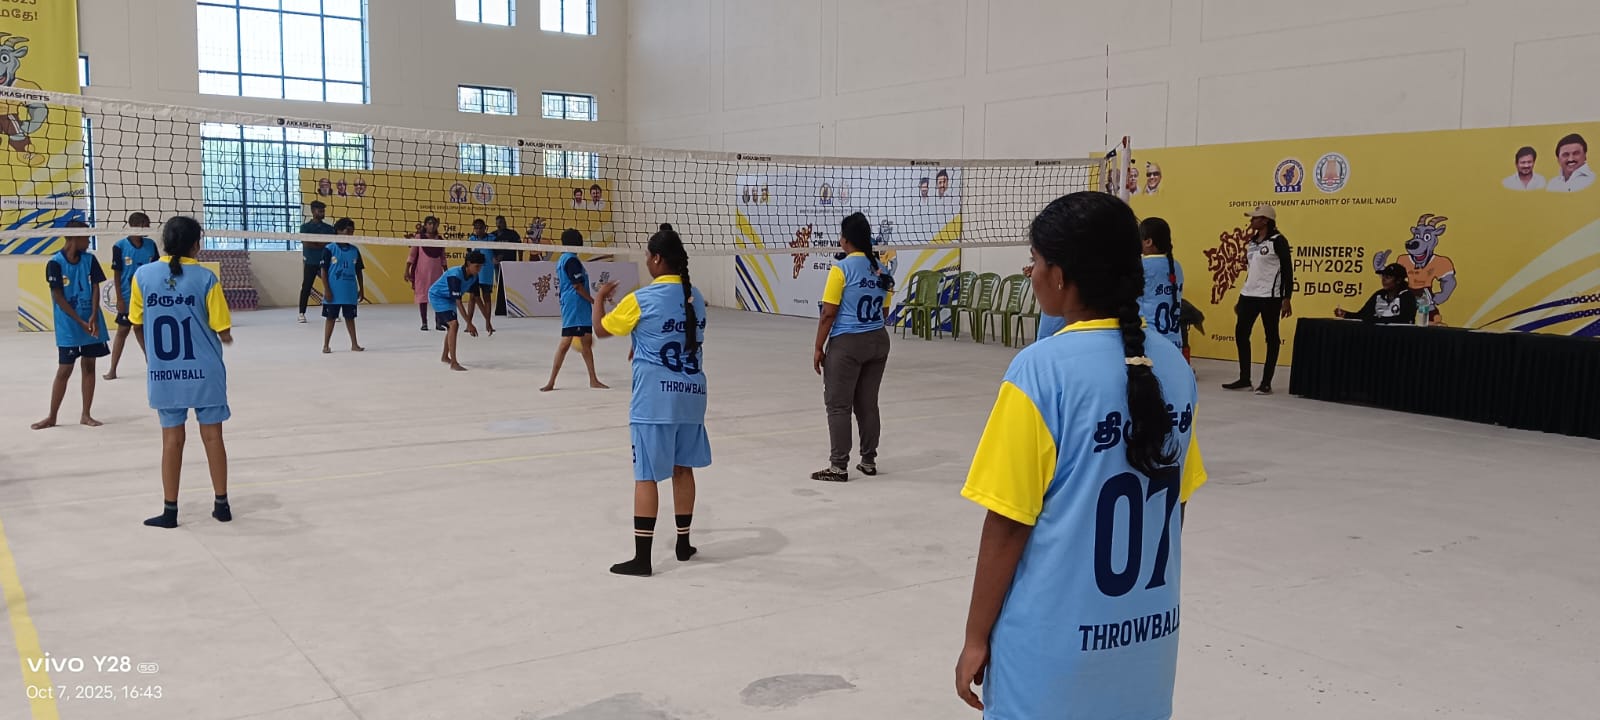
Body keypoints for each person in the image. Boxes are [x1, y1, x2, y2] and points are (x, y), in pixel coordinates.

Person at [955, 191, 1205, 718]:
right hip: (1148, 643)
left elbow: (1008, 523)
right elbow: (1175, 506)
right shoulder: (1175, 367)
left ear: (1061, 276)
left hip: (1052, 649)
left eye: (1035, 261)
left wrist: (975, 636)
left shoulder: (1040, 371)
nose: (1031, 272)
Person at [591, 223, 710, 577]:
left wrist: (599, 299)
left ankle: (642, 559)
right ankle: (683, 544)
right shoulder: (695, 297)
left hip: (655, 401)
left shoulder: (642, 298)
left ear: (657, 259)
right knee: (682, 469)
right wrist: (640, 341)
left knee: (646, 476)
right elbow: (674, 332)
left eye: (647, 256)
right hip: (691, 396)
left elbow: (601, 330)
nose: (646, 261)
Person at [129, 216, 234, 528]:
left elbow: (136, 324)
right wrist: (225, 336)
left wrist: (152, 357)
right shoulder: (206, 278)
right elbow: (223, 329)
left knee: (172, 440)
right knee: (213, 437)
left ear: (164, 242)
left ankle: (170, 511)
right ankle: (222, 506)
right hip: (205, 371)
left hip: (164, 372)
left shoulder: (142, 275)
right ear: (196, 245)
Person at [811, 213, 894, 482]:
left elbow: (828, 313)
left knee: (838, 405)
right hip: (878, 340)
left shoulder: (842, 269)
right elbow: (884, 312)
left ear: (845, 240)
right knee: (868, 404)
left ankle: (838, 466)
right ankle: (868, 461)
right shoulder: (882, 270)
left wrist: (818, 347)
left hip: (847, 343)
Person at [32, 220, 110, 430]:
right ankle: (52, 416)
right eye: (86, 237)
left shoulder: (89, 259)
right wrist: (79, 321)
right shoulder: (55, 263)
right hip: (69, 324)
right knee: (65, 369)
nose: (89, 241)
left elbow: (96, 287)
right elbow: (58, 297)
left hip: (91, 321)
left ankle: (86, 414)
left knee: (89, 366)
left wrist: (93, 315)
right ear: (74, 237)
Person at [1224, 204, 1293, 395]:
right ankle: (1245, 379)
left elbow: (1288, 271)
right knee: (1241, 333)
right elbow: (1252, 271)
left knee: (1271, 338)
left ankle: (1266, 382)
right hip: (1248, 295)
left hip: (1270, 297)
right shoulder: (1252, 241)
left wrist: (1287, 297)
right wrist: (1241, 297)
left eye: (1255, 218)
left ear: (1265, 220)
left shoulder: (1278, 240)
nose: (1251, 220)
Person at [541, 229, 608, 391]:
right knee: (566, 342)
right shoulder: (571, 260)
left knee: (586, 341)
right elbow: (577, 286)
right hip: (575, 306)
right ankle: (551, 382)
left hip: (578, 306)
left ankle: (593, 379)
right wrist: (594, 301)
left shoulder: (565, 258)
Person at [104, 212, 159, 380]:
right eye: (146, 224)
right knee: (123, 331)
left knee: (141, 329)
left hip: (147, 297)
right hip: (128, 297)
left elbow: (157, 269)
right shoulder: (120, 246)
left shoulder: (151, 245)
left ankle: (152, 365)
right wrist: (119, 298)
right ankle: (113, 369)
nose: (149, 228)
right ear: (137, 225)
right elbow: (117, 274)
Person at [428, 251, 486, 371]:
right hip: (438, 296)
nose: (479, 270)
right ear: (468, 263)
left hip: (449, 298)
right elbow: (459, 302)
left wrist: (488, 320)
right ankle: (453, 362)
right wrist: (469, 323)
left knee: (452, 326)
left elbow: (477, 298)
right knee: (453, 324)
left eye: (481, 267)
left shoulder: (474, 276)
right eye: (477, 266)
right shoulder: (455, 275)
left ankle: (445, 356)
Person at [319, 218, 366, 354]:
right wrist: (327, 290)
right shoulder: (329, 249)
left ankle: (354, 344)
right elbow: (323, 271)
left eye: (352, 231)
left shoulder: (354, 250)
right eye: (347, 230)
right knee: (331, 318)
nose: (350, 233)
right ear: (338, 231)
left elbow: (359, 271)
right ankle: (326, 345)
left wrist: (361, 289)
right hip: (333, 292)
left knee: (350, 318)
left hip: (349, 292)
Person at [1139, 217, 1186, 352]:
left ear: (1148, 242)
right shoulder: (1176, 266)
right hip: (1175, 342)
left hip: (1150, 342)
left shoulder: (1142, 267)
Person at [404, 216, 448, 331]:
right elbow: (412, 256)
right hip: (422, 273)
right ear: (425, 225)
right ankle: (424, 323)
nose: (432, 226)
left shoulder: (440, 240)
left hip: (437, 273)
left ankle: (438, 323)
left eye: (434, 223)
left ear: (437, 225)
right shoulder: (419, 238)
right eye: (429, 223)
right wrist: (407, 270)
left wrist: (446, 272)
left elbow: (443, 258)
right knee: (423, 297)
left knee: (438, 297)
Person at [1337, 263, 1417, 324]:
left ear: (1398, 280)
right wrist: (1346, 314)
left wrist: (1376, 320)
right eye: (1383, 276)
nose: (1383, 280)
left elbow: (1404, 320)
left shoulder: (1407, 297)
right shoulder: (1379, 294)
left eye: (1388, 277)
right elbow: (1363, 315)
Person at [298, 200, 335, 323]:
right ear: (313, 211)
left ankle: (332, 312)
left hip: (325, 262)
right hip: (311, 262)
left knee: (331, 286)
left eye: (323, 211)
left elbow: (331, 244)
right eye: (320, 211)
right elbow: (306, 243)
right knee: (306, 287)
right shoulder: (305, 227)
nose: (322, 213)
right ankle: (301, 313)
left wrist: (316, 244)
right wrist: (322, 244)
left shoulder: (329, 228)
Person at [463, 218, 497, 334]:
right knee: (472, 297)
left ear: (485, 228)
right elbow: (468, 255)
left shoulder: (492, 239)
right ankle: (469, 324)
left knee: (486, 297)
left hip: (487, 272)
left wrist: (497, 258)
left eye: (480, 228)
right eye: (476, 228)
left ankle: (488, 323)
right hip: (474, 274)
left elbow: (498, 253)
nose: (478, 230)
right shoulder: (471, 239)